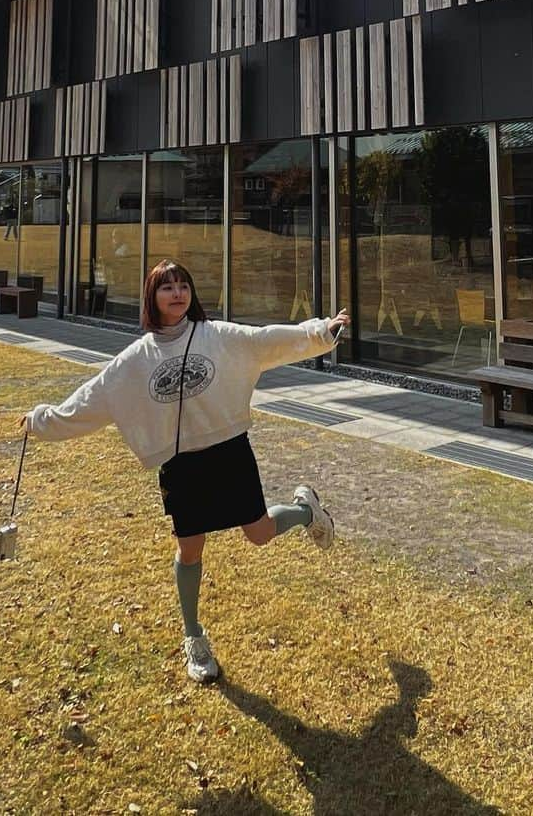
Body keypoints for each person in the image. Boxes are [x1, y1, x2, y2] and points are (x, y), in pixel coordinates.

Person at [21, 258, 350, 684]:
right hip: (181, 466)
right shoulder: (135, 359)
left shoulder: (217, 337)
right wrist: (40, 420)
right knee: (189, 550)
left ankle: (307, 511)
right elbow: (92, 398)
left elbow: (266, 341)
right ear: (151, 298)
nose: (177, 293)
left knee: (259, 533)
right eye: (166, 287)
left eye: (182, 285)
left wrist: (321, 331)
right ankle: (193, 636)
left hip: (229, 452)